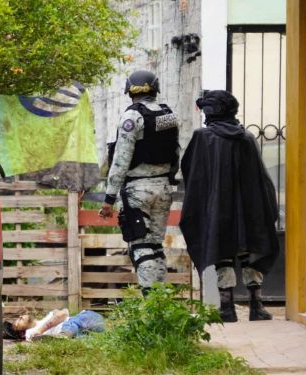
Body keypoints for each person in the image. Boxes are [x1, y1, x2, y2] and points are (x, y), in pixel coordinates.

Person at [179, 90, 279, 322]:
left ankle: (226, 308)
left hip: (217, 207)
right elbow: (261, 178)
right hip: (247, 208)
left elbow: (192, 174)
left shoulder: (203, 138)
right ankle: (257, 305)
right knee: (250, 249)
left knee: (221, 249)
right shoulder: (246, 138)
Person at [99, 70, 180, 293]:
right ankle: (162, 302)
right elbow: (175, 152)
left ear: (129, 92)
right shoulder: (168, 115)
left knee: (140, 246)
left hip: (138, 189)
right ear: (155, 89)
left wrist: (109, 198)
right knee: (155, 245)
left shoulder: (131, 117)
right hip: (163, 187)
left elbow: (121, 159)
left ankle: (150, 299)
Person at [3, 309, 105, 341]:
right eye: (17, 323)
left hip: (84, 319)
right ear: (21, 334)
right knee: (81, 335)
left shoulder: (45, 319)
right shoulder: (30, 334)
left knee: (76, 321)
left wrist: (43, 328)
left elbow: (64, 313)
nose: (20, 317)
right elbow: (61, 315)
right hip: (72, 326)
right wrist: (40, 331)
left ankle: (65, 335)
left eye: (19, 317)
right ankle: (65, 335)